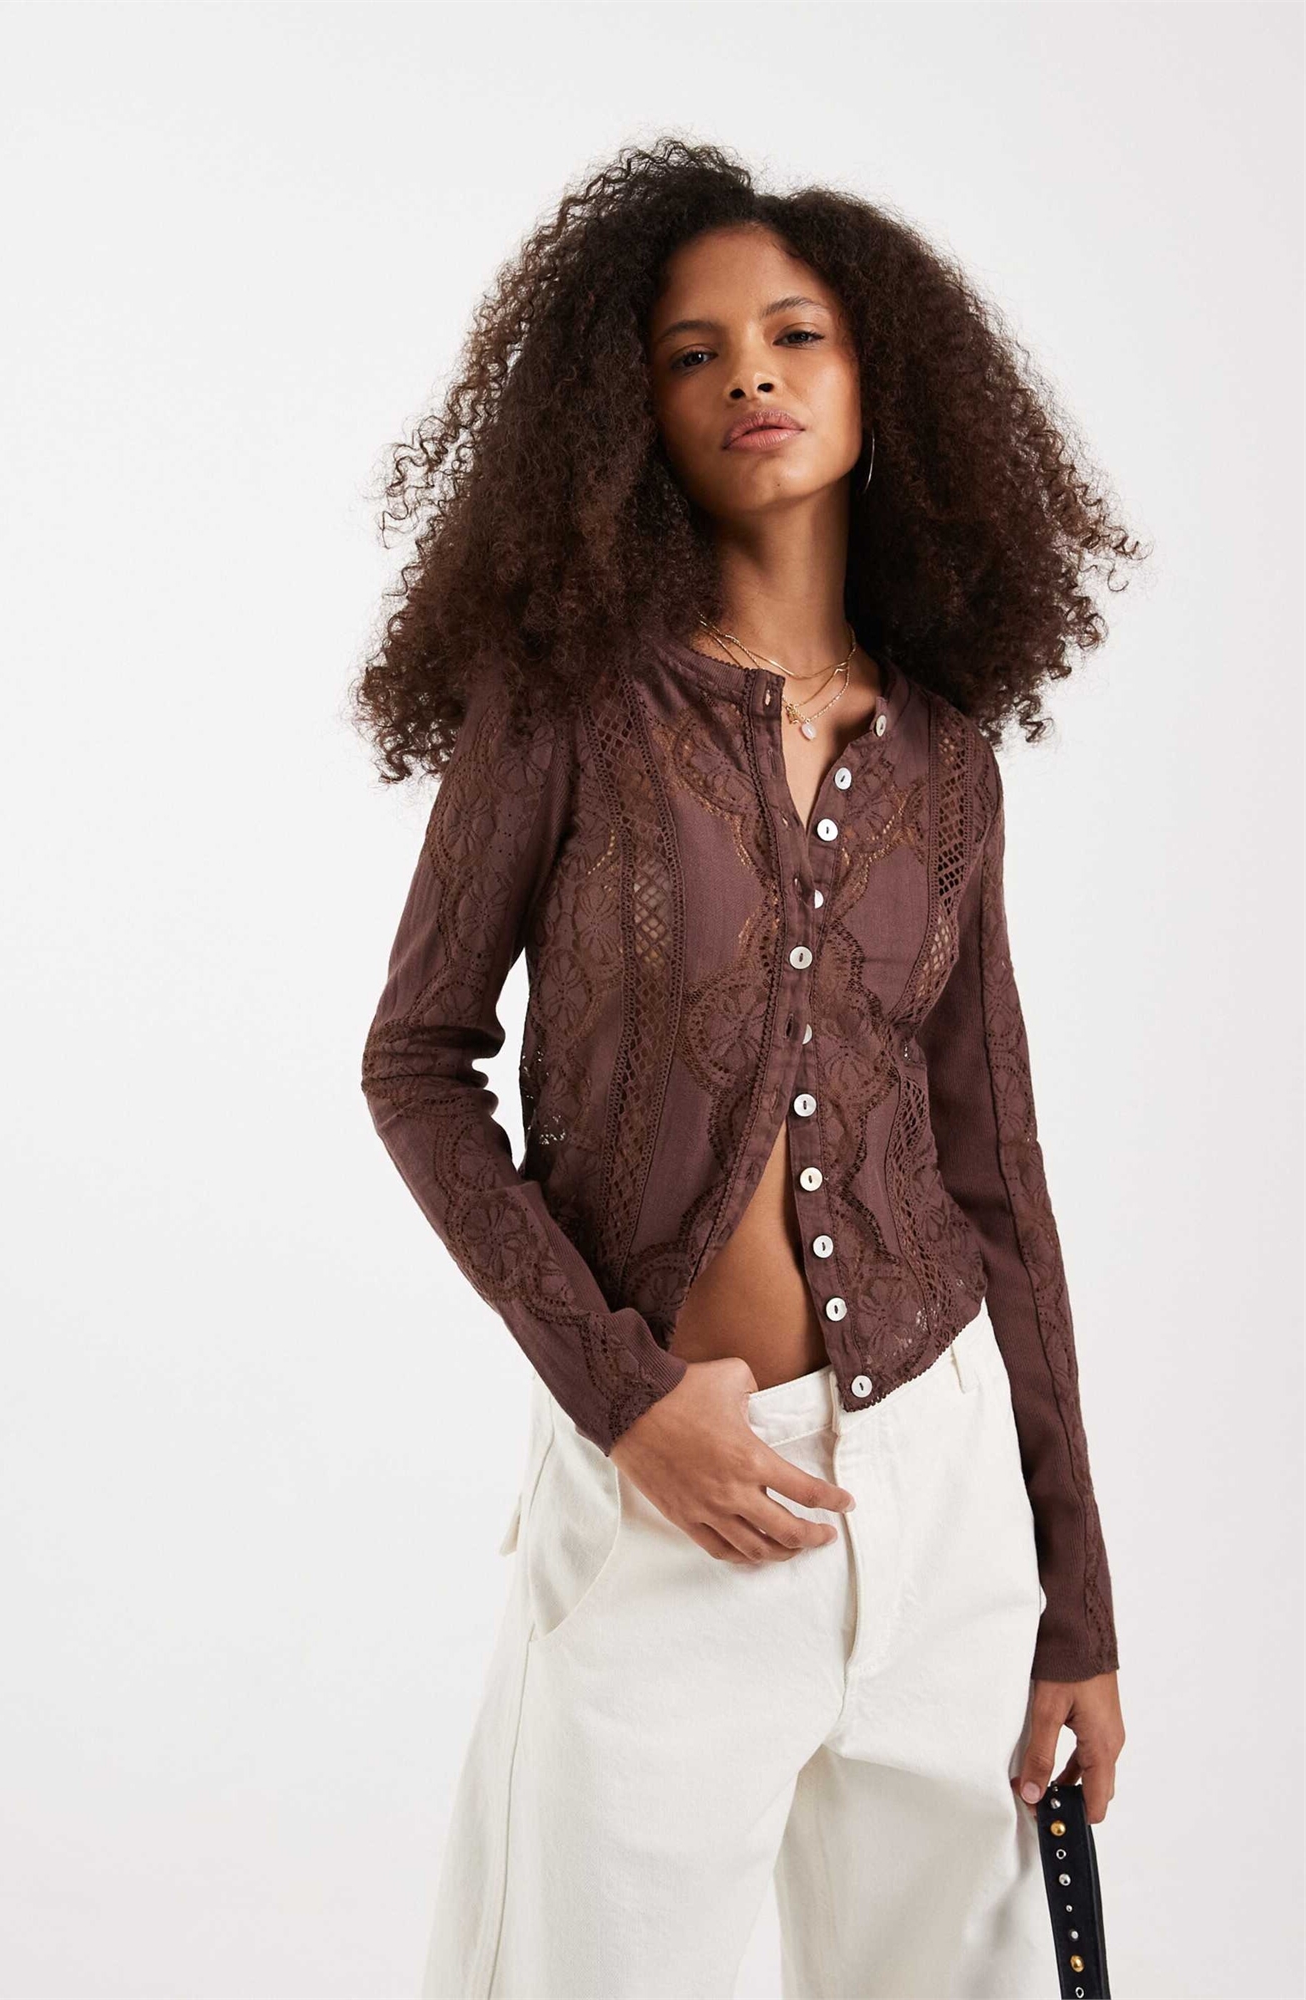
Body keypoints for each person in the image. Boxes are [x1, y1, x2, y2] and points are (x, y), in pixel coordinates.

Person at [352, 137, 1140, 2000]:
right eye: (690, 353)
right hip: (669, 1505)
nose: (750, 378)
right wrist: (624, 1400)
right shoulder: (564, 708)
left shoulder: (945, 760)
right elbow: (416, 1063)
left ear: (882, 385)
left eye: (795, 336)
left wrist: (1073, 1598)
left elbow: (994, 1169)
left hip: (943, 1502)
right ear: (625, 415)